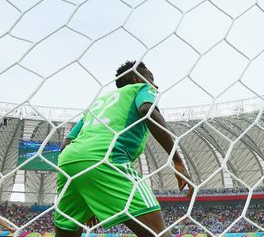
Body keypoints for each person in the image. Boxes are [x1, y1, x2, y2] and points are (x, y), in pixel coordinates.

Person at [54, 61, 192, 237]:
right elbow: (146, 109)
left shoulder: (98, 104)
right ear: (137, 79)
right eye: (151, 78)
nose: (155, 85)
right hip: (106, 159)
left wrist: (88, 192)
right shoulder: (141, 89)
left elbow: (66, 143)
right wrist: (177, 160)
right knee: (159, 233)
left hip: (68, 165)